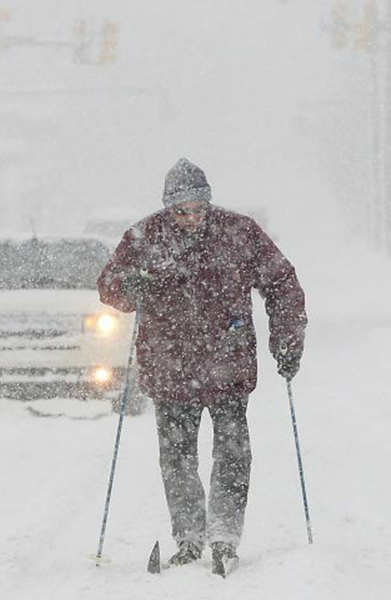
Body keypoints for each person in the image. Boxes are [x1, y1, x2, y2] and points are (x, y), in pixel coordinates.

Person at [97, 158, 307, 575]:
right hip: (169, 368)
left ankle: (225, 535)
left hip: (228, 366)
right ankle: (189, 536)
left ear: (209, 203)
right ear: (167, 208)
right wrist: (129, 285)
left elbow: (281, 282)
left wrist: (285, 340)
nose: (191, 217)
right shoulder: (145, 236)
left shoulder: (239, 232)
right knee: (177, 459)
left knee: (232, 455)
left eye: (198, 208)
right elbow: (109, 285)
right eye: (182, 210)